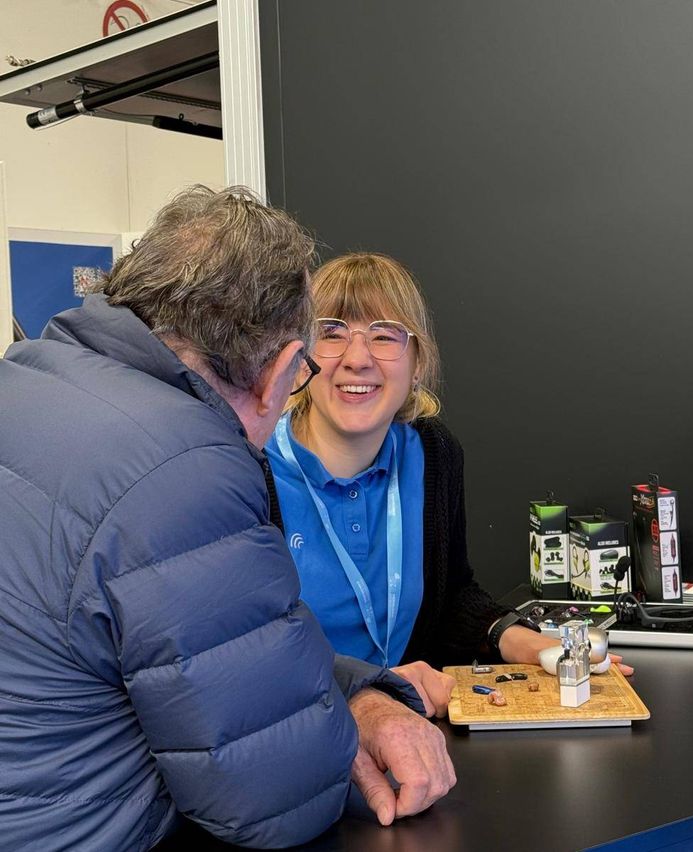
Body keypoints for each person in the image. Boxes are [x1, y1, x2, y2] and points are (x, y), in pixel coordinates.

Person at [0, 189, 454, 852]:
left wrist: (359, 693)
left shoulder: (26, 382)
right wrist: (348, 725)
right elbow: (273, 800)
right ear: (276, 376)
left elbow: (209, 661)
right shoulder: (185, 465)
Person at [266, 253, 631, 710]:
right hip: (298, 743)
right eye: (331, 333)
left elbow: (451, 596)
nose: (356, 359)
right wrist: (366, 695)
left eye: (384, 336)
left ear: (417, 364)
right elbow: (246, 659)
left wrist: (537, 647)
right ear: (301, 359)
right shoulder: (249, 470)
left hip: (415, 737)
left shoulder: (432, 453)